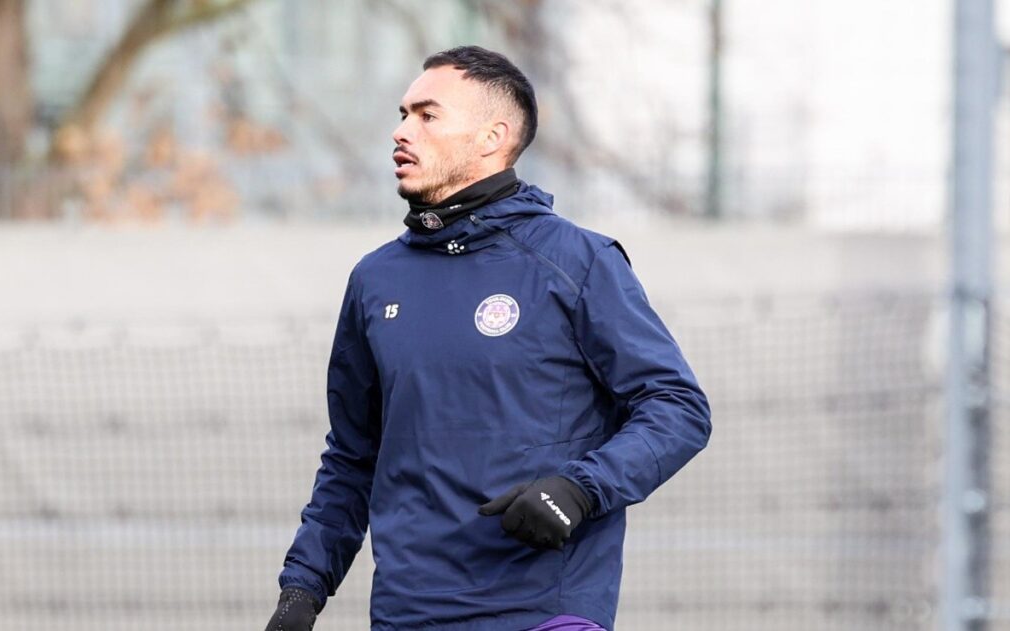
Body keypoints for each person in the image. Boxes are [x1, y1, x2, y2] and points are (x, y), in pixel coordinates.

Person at [264, 45, 711, 631]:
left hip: (546, 610)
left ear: (490, 137)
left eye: (427, 116)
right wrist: (302, 590)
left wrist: (580, 490)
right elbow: (353, 457)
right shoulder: (376, 280)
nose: (402, 132)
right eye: (403, 115)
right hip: (408, 615)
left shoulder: (577, 262)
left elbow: (679, 408)